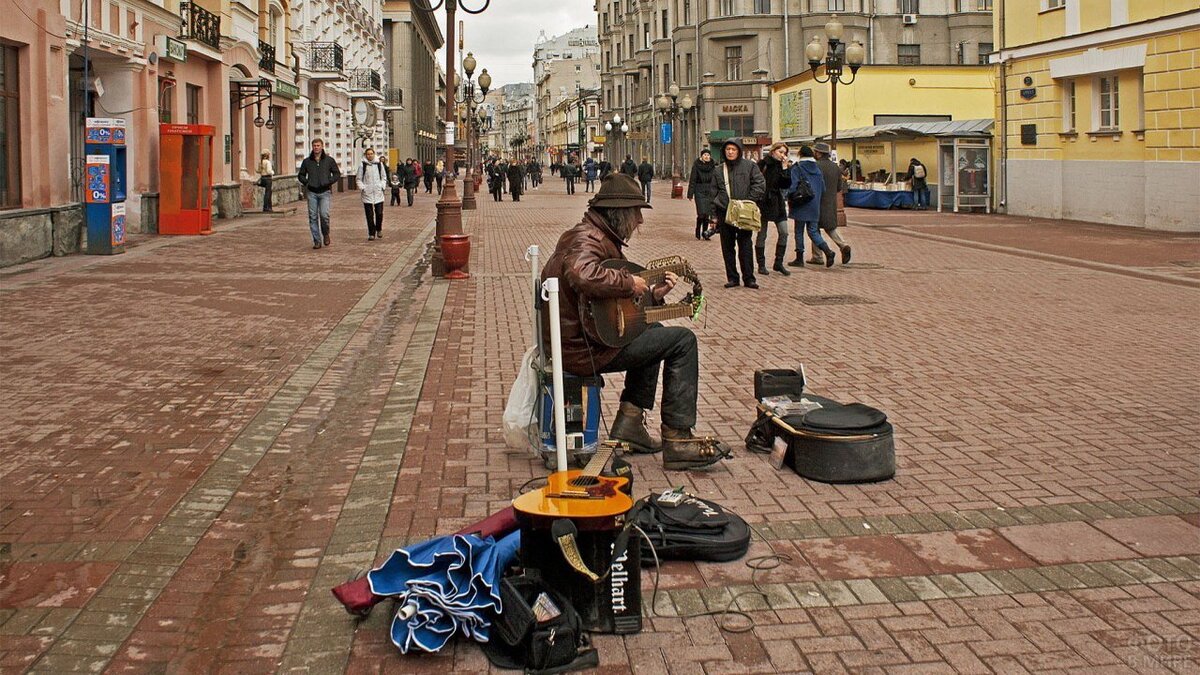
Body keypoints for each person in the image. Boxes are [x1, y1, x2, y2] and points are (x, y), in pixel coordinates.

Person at [540, 174, 731, 471]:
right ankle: (678, 438)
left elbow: (607, 305)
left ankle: (630, 423)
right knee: (683, 341)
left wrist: (654, 294)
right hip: (583, 350)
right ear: (620, 213)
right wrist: (629, 282)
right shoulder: (586, 239)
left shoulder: (596, 236)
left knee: (653, 331)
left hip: (585, 339)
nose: (640, 221)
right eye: (637, 213)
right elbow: (582, 274)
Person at [711, 139, 766, 289]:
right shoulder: (718, 170)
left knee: (745, 245)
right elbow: (713, 192)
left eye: (733, 149)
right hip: (725, 212)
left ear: (739, 151)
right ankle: (732, 278)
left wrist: (748, 201)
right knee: (727, 247)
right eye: (728, 149)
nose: (730, 152)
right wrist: (713, 215)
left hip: (744, 213)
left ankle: (749, 278)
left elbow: (760, 184)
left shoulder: (750, 166)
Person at [788, 145, 836, 268]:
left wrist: (788, 196)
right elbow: (823, 188)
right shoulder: (817, 169)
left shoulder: (797, 168)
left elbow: (793, 187)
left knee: (799, 231)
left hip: (801, 203)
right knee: (813, 231)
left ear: (800, 155)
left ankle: (799, 258)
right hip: (814, 205)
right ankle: (828, 251)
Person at [808, 142, 851, 265]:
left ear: (819, 153)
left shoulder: (815, 166)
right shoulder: (835, 167)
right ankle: (843, 245)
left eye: (815, 152)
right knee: (830, 228)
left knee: (814, 229)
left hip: (816, 201)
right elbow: (839, 187)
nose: (814, 154)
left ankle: (817, 256)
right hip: (830, 202)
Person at [755, 142, 791, 276]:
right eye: (780, 152)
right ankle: (761, 264)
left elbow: (786, 184)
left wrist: (785, 167)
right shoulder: (763, 164)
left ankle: (778, 262)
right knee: (762, 234)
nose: (783, 155)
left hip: (777, 201)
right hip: (763, 202)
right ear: (773, 151)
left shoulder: (782, 166)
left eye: (784, 153)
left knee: (784, 232)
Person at [298, 138, 340, 249]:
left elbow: (336, 174)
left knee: (324, 214)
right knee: (313, 217)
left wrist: (328, 181)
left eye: (318, 145)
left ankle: (326, 233)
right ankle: (317, 240)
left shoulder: (329, 160)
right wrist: (307, 182)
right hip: (312, 192)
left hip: (324, 192)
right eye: (314, 146)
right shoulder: (307, 161)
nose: (316, 147)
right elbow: (301, 175)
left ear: (322, 146)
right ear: (312, 147)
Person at [686, 149, 717, 240]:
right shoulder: (696, 165)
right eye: (705, 155)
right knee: (701, 214)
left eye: (708, 155)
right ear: (701, 156)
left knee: (707, 214)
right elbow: (693, 180)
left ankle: (705, 233)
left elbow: (716, 179)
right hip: (699, 190)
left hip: (709, 191)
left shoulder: (713, 166)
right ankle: (698, 229)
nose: (707, 156)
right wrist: (690, 194)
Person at [358, 147, 387, 241]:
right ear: (366, 155)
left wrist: (382, 186)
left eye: (371, 154)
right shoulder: (363, 165)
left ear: (374, 154)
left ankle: (379, 228)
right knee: (369, 214)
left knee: (379, 213)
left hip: (378, 192)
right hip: (367, 193)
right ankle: (371, 233)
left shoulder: (379, 164)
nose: (370, 155)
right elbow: (358, 179)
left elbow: (383, 177)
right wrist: (363, 188)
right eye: (368, 154)